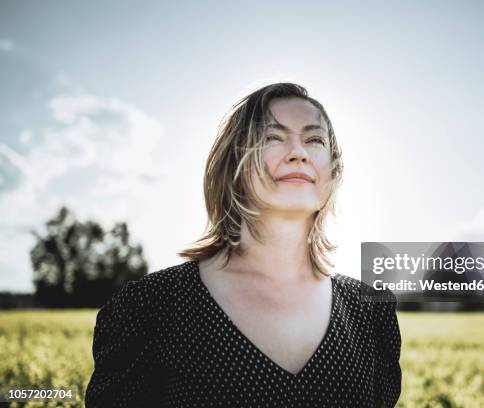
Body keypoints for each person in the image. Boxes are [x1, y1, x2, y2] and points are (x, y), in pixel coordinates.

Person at [85, 82, 402, 407]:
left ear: (334, 171)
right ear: (234, 163)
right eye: (272, 138)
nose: (298, 153)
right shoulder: (149, 308)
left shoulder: (370, 313)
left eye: (315, 140)